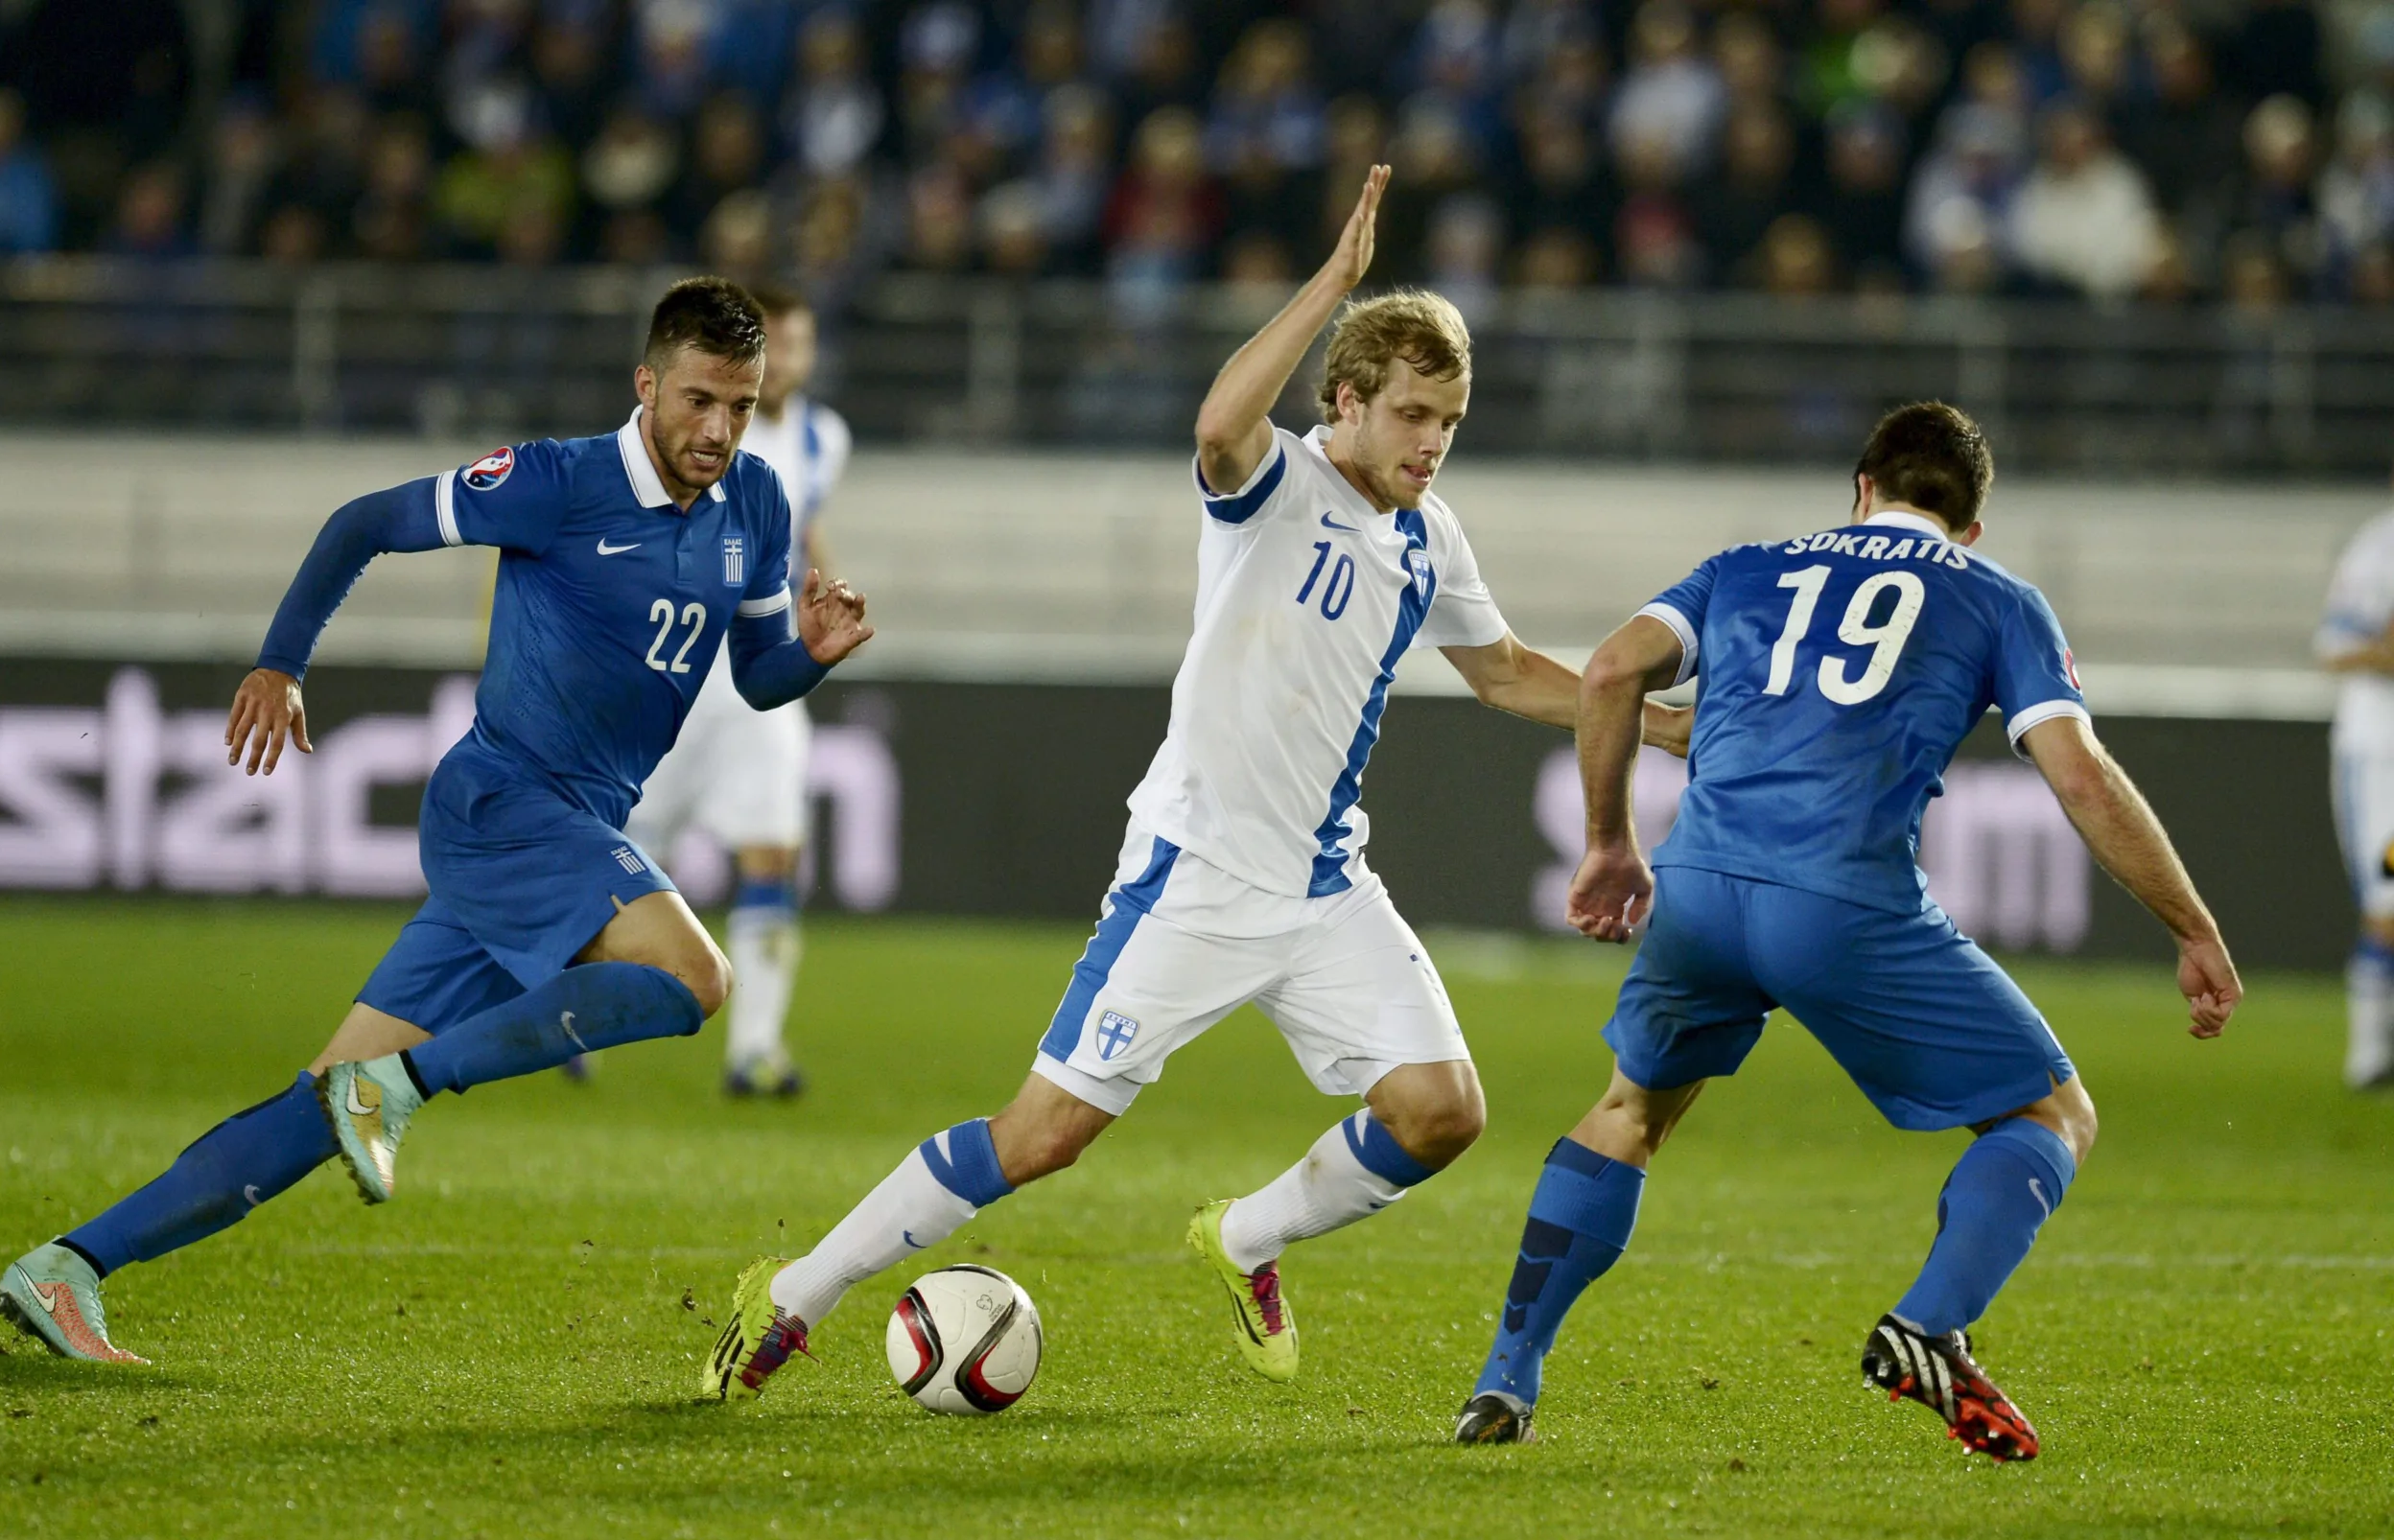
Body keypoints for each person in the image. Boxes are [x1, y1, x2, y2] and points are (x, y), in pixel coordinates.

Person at [702, 167, 1691, 1404]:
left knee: (1442, 1113)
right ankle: (795, 1290)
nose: (1433, 443)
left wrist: (1662, 727)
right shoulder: (1275, 483)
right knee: (1041, 1138)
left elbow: (1499, 672)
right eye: (1412, 415)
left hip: (1323, 884)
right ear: (1346, 401)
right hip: (1197, 874)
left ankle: (1245, 1238)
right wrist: (1332, 283)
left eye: (1450, 420)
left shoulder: (1426, 535)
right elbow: (1219, 426)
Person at [0, 278, 874, 1365]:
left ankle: (69, 1266)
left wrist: (811, 658)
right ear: (646, 385)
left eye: (739, 406)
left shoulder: (757, 501)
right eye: (699, 400)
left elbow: (758, 674)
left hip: (568, 827)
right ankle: (403, 1086)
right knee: (697, 979)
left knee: (319, 1102)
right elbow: (363, 522)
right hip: (506, 805)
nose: (719, 430)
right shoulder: (556, 481)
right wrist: (280, 663)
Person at [1455, 402, 2241, 1459]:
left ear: (1862, 488)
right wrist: (2191, 925)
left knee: (1628, 1111)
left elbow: (1607, 672)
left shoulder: (1744, 567)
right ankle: (1929, 1326)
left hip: (1698, 889)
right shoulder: (1996, 596)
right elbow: (2081, 778)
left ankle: (1505, 1379)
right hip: (1844, 903)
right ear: (1968, 525)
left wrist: (1607, 844)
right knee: (2050, 1114)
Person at [625, 285, 852, 1098]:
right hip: (675, 663)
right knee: (625, 850)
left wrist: (828, 589)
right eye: (773, 345)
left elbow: (801, 527)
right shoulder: (689, 424)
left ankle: (755, 1047)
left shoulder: (825, 438)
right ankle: (572, 1011)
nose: (784, 360)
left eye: (797, 345)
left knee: (774, 850)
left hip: (761, 664)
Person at [2316, 490, 2394, 1087]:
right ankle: (2369, 1057)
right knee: (2389, 906)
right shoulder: (2379, 548)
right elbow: (2334, 646)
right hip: (2381, 758)